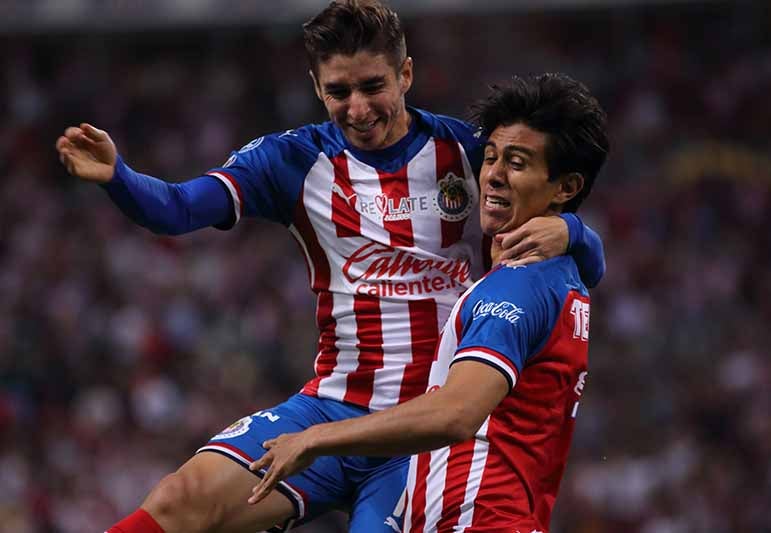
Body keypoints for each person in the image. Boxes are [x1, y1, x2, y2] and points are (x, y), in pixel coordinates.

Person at [55, 2, 605, 532]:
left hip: (422, 435)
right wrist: (119, 177)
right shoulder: (291, 160)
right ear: (317, 87)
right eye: (339, 92)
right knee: (181, 499)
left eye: (372, 87)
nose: (358, 109)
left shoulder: (469, 152)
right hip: (331, 407)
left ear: (405, 75)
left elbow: (575, 262)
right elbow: (177, 209)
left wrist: (572, 230)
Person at [247, 72, 609, 533]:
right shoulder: (561, 275)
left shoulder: (516, 288)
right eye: (491, 157)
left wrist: (315, 438)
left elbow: (455, 413)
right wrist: (575, 231)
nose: (493, 175)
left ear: (566, 187)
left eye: (517, 163)